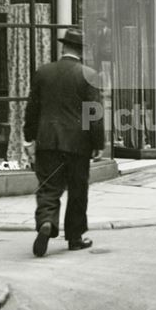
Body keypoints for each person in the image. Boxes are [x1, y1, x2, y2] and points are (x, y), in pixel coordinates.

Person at [24, 27, 104, 257]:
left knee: (49, 187)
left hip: (47, 141)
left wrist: (29, 136)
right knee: (78, 190)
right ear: (81, 51)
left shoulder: (43, 72)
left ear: (63, 48)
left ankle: (47, 222)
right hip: (79, 145)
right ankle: (75, 238)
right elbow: (94, 114)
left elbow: (32, 109)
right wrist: (98, 143)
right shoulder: (88, 75)